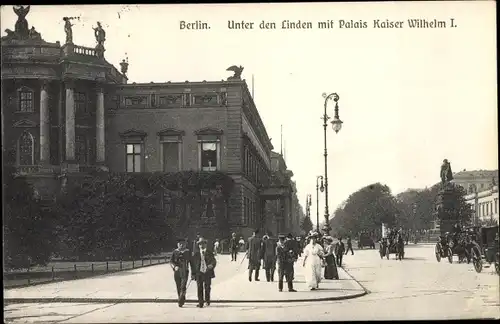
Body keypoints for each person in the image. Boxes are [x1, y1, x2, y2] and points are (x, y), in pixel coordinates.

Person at [191, 237, 217, 308]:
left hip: (207, 272)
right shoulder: (196, 254)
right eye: (200, 244)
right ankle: (200, 302)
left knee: (207, 287)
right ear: (198, 245)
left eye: (203, 244)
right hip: (199, 273)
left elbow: (214, 261)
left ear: (206, 244)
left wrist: (212, 265)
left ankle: (207, 300)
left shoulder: (209, 252)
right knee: (199, 287)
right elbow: (193, 265)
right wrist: (193, 274)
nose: (202, 245)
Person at [170, 238, 191, 307]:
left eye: (183, 244)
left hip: (185, 271)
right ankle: (181, 297)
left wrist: (193, 272)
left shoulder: (187, 252)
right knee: (178, 286)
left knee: (183, 286)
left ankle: (180, 301)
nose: (181, 245)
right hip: (177, 271)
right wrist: (174, 267)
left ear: (185, 244)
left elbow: (192, 262)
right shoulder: (175, 252)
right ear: (177, 244)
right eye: (180, 244)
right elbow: (171, 261)